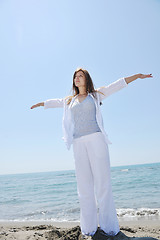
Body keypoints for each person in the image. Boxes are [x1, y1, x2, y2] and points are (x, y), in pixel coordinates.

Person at [30, 68, 152, 240]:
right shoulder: (69, 100)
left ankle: (109, 227)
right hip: (78, 143)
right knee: (84, 186)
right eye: (75, 76)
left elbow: (116, 85)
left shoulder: (96, 95)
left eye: (80, 76)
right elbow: (54, 102)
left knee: (103, 184)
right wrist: (41, 104)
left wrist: (137, 77)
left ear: (86, 79)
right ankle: (89, 228)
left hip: (96, 140)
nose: (77, 78)